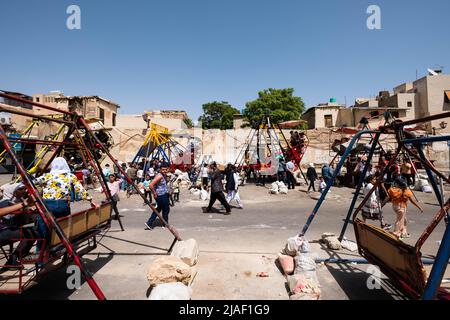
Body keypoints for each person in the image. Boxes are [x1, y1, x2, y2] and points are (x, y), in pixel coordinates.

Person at [34, 157, 91, 251]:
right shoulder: (70, 176)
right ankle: (58, 248)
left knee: (43, 229)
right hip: (62, 205)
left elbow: (32, 183)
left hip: (47, 206)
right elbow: (80, 190)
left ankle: (40, 253)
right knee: (62, 227)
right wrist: (91, 200)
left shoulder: (47, 176)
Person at [0, 196, 38, 272]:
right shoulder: (6, 200)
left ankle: (13, 260)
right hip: (2, 233)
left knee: (30, 231)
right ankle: (14, 260)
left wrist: (25, 208)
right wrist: (23, 204)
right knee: (31, 232)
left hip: (5, 229)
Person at [145, 164, 171, 230]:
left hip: (163, 194)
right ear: (160, 169)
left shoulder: (163, 175)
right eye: (163, 169)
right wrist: (154, 193)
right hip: (161, 195)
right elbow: (150, 185)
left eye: (165, 169)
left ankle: (149, 223)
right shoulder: (159, 176)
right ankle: (165, 224)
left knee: (158, 209)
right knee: (166, 209)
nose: (164, 171)